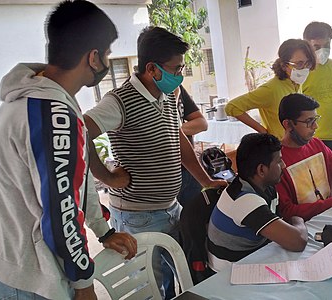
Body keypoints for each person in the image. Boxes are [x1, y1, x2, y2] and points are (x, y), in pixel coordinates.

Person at [0, 1, 138, 299]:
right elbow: (61, 210)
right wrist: (84, 284)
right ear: (93, 58)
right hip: (31, 278)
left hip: (6, 264)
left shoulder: (28, 101)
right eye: (107, 54)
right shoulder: (55, 115)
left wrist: (102, 231)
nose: (106, 61)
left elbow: (77, 185)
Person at [84, 26, 226, 299]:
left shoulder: (168, 95)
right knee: (149, 288)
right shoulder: (119, 101)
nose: (179, 75)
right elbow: (79, 133)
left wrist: (204, 180)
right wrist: (109, 177)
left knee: (180, 274)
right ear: (152, 69)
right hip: (139, 216)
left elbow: (177, 137)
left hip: (170, 207)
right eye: (175, 69)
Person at [207, 133, 308, 272]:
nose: (284, 165)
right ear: (261, 170)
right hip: (228, 276)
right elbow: (297, 242)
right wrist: (298, 219)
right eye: (279, 161)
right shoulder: (245, 201)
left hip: (251, 260)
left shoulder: (263, 188)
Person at [225, 39, 316, 139]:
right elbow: (232, 107)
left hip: (297, 143)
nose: (305, 68)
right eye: (299, 64)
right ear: (284, 65)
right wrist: (263, 132)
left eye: (308, 63)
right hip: (280, 146)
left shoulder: (296, 84)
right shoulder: (271, 89)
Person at [301, 21, 332, 157]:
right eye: (316, 46)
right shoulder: (301, 72)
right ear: (307, 46)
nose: (322, 50)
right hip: (310, 137)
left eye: (326, 45)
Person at [176, 85, 209, 208]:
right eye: (176, 69)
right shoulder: (137, 97)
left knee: (193, 218)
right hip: (166, 176)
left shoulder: (176, 88)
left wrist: (172, 129)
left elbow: (202, 123)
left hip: (190, 171)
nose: (179, 75)